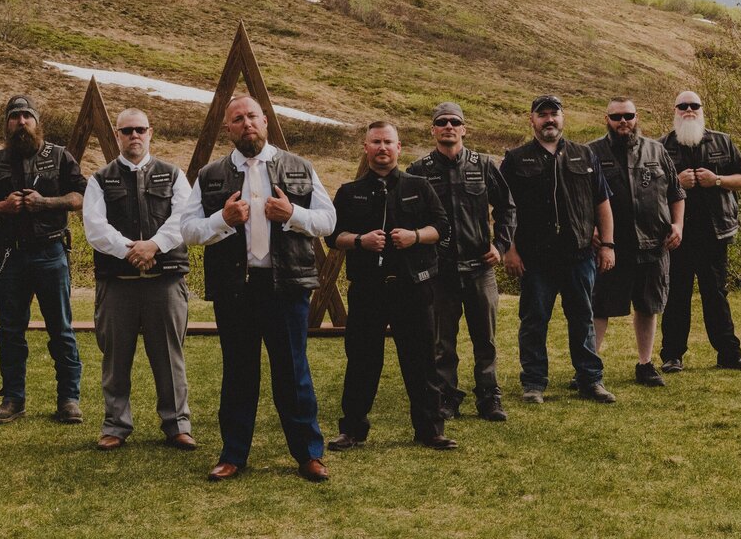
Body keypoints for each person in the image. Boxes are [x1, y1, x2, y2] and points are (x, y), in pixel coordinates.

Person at [180, 95, 337, 483]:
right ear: (228, 128)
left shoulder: (299, 166)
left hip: (286, 287)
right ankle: (233, 455)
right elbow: (187, 230)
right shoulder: (210, 174)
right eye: (238, 118)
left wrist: (293, 215)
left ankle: (308, 454)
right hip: (236, 287)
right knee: (238, 371)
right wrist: (223, 218)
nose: (246, 123)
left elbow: (328, 220)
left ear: (265, 122)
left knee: (293, 370)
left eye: (252, 116)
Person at [326, 121, 457, 451]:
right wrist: (359, 240)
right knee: (362, 361)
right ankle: (352, 430)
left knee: (421, 361)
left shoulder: (419, 186)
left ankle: (430, 429)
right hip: (368, 289)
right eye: (375, 142)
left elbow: (442, 226)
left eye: (388, 142)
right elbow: (332, 236)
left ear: (399, 148)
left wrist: (415, 237)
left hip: (412, 288)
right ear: (365, 148)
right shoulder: (349, 191)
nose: (382, 148)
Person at [82, 108, 195, 450]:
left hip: (165, 280)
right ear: (117, 135)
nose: (134, 136)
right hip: (118, 282)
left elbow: (183, 218)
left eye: (140, 130)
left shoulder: (173, 175)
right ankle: (115, 426)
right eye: (127, 130)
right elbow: (95, 228)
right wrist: (131, 250)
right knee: (115, 357)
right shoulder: (100, 180)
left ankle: (177, 425)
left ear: (151, 133)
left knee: (169, 356)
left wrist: (154, 246)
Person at [0, 95, 86, 425]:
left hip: (51, 253)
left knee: (61, 329)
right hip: (10, 255)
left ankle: (68, 399)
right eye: (14, 116)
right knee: (10, 330)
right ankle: (13, 399)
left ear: (37, 122)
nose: (21, 122)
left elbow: (82, 196)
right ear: (6, 123)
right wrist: (2, 207)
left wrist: (46, 202)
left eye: (27, 116)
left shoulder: (60, 156)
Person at [500, 95, 617, 404]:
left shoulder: (585, 155)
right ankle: (534, 383)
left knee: (583, 318)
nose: (549, 120)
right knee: (534, 321)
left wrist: (607, 244)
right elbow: (502, 210)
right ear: (532, 120)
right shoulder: (515, 159)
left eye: (554, 114)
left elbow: (602, 203)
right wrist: (508, 251)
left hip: (580, 256)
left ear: (563, 119)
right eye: (543, 115)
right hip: (536, 260)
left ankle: (590, 380)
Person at [408, 102, 515, 421]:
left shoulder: (483, 165)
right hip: (440, 271)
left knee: (487, 338)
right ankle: (446, 397)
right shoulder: (419, 170)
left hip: (480, 268)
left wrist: (501, 245)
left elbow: (507, 208)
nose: (449, 126)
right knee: (442, 341)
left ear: (464, 128)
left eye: (455, 121)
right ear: (433, 130)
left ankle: (489, 397)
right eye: (441, 122)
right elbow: (410, 216)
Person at [587, 98, 685, 387]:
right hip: (612, 246)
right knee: (600, 306)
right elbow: (582, 198)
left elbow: (677, 193)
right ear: (606, 118)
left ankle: (645, 364)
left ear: (636, 117)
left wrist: (678, 225)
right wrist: (592, 230)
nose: (623, 121)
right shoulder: (592, 152)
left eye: (628, 115)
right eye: (616, 116)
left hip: (653, 244)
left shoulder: (657, 150)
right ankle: (590, 367)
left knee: (648, 305)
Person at [659, 91, 741, 372]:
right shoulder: (661, 146)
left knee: (716, 294)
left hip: (715, 233)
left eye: (694, 105)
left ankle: (729, 354)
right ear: (675, 110)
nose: (689, 110)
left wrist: (717, 180)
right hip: (676, 234)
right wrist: (676, 182)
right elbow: (648, 189)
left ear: (702, 109)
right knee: (676, 295)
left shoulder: (723, 141)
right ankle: (672, 356)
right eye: (683, 106)